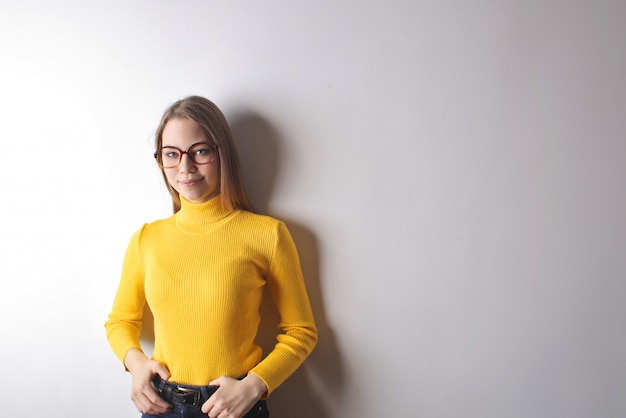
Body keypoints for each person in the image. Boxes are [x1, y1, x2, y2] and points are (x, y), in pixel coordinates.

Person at [105, 96, 318, 418]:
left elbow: (301, 330)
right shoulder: (147, 239)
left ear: (223, 154)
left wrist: (254, 385)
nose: (185, 167)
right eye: (171, 154)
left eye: (200, 151)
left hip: (235, 406)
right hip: (160, 404)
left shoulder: (267, 234)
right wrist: (136, 366)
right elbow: (120, 322)